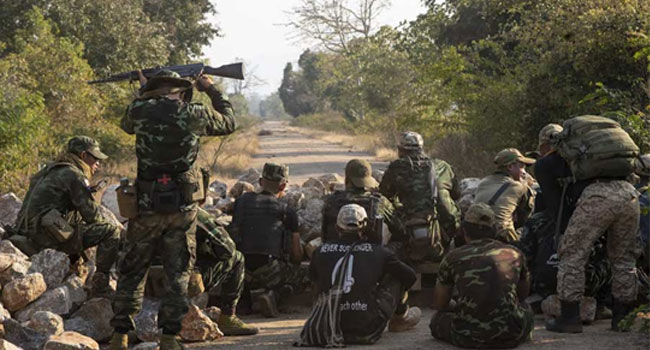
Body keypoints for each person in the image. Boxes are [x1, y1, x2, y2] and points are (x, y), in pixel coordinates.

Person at [110, 70, 237, 350]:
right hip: (182, 205)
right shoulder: (194, 113)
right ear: (181, 90)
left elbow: (126, 123)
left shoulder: (140, 110)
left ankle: (120, 334)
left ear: (154, 89)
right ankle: (169, 336)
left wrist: (144, 92)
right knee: (178, 270)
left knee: (133, 268)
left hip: (146, 204)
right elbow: (229, 122)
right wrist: (212, 89)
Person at [12, 136, 121, 296]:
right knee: (111, 231)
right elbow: (93, 217)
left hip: (25, 233)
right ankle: (101, 286)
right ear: (83, 156)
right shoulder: (73, 174)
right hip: (44, 239)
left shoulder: (48, 170)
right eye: (95, 159)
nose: (98, 164)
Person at [546, 164, 640, 332]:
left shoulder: (572, 147)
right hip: (629, 194)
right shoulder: (617, 153)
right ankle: (623, 319)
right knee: (625, 258)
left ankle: (570, 318)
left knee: (572, 255)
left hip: (597, 194)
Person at [308, 204, 420, 345]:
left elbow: (314, 282)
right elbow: (410, 276)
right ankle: (400, 319)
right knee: (397, 276)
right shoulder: (379, 252)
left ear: (337, 228)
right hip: (367, 330)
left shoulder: (320, 251)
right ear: (366, 227)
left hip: (328, 328)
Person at [430, 203, 533, 348]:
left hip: (467, 336)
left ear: (464, 231)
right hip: (511, 334)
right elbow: (522, 296)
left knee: (437, 319)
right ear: (495, 230)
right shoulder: (515, 254)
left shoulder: (452, 258)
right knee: (526, 308)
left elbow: (440, 304)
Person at [228, 163, 306, 318]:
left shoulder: (241, 202)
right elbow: (296, 254)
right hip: (269, 268)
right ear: (283, 186)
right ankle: (274, 296)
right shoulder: (286, 210)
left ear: (260, 182)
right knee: (299, 273)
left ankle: (243, 303)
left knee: (239, 263)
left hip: (240, 268)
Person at [379, 131, 461, 263]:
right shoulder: (442, 166)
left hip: (409, 228)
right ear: (422, 148)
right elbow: (456, 194)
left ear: (401, 150)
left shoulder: (396, 167)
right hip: (443, 230)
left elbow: (385, 194)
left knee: (381, 205)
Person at [194, 208, 258, 335]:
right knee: (237, 258)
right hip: (183, 278)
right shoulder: (195, 214)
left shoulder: (148, 210)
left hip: (150, 275)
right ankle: (228, 317)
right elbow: (227, 249)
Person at [321, 159, 397, 244]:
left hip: (334, 253)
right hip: (371, 254)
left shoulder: (331, 201)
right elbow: (397, 230)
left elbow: (324, 235)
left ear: (347, 180)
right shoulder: (380, 202)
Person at [474, 148, 536, 243]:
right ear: (510, 167)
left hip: (477, 233)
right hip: (502, 236)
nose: (524, 172)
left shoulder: (483, 182)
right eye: (521, 167)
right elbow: (525, 219)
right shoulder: (518, 186)